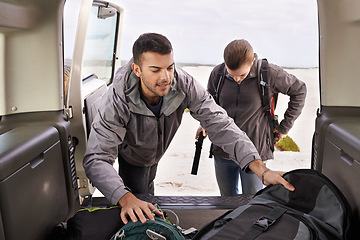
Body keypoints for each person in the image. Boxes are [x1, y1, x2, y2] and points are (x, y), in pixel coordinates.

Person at [83, 33, 295, 225]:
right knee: (137, 203)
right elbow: (97, 159)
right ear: (137, 70)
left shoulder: (183, 84)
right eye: (155, 70)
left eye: (169, 67)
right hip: (133, 156)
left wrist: (262, 169)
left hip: (156, 153)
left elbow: (220, 123)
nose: (165, 77)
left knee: (149, 194)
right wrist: (125, 198)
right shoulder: (116, 100)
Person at [196, 39, 306, 196]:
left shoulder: (269, 73)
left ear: (252, 61)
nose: (236, 79)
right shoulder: (217, 74)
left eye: (241, 75)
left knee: (252, 201)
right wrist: (205, 124)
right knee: (227, 201)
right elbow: (210, 105)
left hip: (255, 150)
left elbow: (300, 90)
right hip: (223, 150)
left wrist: (284, 128)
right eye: (231, 74)